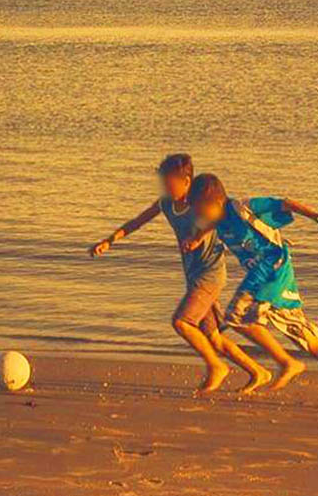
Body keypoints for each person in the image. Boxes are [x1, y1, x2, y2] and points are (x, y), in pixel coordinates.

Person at [182, 173, 318, 411]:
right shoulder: (217, 218)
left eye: (200, 210)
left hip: (272, 270)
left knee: (237, 317)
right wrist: (196, 239)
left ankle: (287, 363)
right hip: (268, 277)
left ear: (214, 202)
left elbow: (285, 203)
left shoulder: (243, 206)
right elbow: (209, 224)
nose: (198, 216)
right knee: (307, 339)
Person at [90, 154, 271, 394]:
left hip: (211, 274)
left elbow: (221, 218)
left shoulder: (203, 202)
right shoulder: (166, 204)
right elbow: (138, 221)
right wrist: (110, 241)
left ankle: (217, 367)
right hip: (193, 275)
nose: (166, 187)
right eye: (163, 182)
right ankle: (259, 372)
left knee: (182, 322)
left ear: (187, 181)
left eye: (170, 183)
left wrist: (199, 237)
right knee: (213, 338)